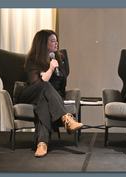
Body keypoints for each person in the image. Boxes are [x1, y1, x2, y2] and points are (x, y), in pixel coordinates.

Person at [17, 29, 84, 158]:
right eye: (52, 41)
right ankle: (66, 119)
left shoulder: (60, 59)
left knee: (45, 103)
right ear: (43, 43)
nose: (56, 43)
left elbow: (62, 83)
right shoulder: (33, 60)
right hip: (31, 94)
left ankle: (42, 143)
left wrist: (60, 97)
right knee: (45, 86)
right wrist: (51, 68)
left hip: (48, 97)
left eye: (56, 40)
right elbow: (36, 84)